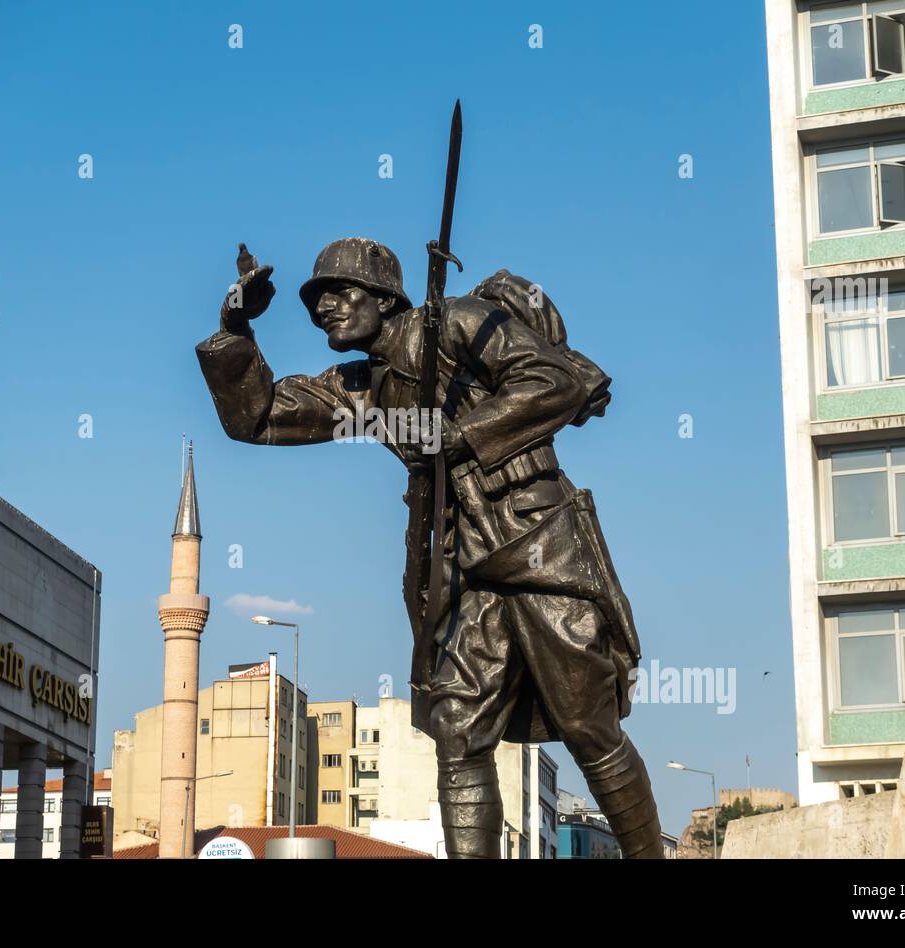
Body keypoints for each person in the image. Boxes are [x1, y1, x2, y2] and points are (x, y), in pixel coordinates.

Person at [196, 237, 662, 858]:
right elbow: (258, 417)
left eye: (340, 293)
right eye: (315, 301)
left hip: (537, 544)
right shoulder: (360, 390)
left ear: (385, 298)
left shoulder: (460, 322)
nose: (324, 308)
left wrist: (456, 436)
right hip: (466, 568)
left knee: (587, 725)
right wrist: (234, 326)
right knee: (459, 732)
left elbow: (554, 384)